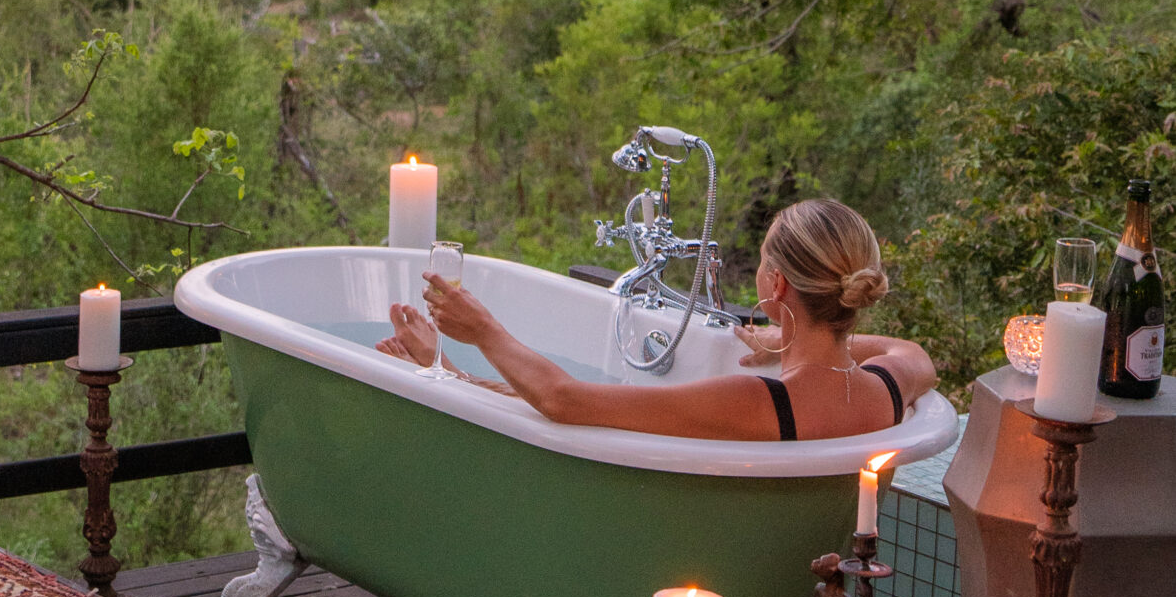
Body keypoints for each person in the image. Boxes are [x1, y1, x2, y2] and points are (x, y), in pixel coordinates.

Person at [376, 196, 935, 442]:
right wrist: (783, 340)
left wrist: (482, 330)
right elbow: (915, 355)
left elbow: (566, 402)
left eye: (764, 259)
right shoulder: (885, 391)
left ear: (777, 285)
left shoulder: (756, 402)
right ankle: (449, 374)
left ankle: (443, 369)